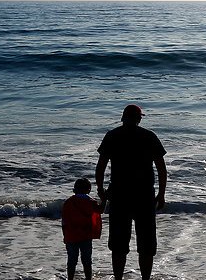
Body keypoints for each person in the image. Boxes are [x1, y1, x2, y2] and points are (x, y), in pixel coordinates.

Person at [95, 104, 167, 280]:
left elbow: (101, 167)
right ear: (139, 118)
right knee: (146, 245)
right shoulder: (148, 136)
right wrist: (161, 193)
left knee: (119, 245)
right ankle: (145, 279)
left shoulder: (112, 136)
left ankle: (118, 279)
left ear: (122, 118)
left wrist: (101, 191)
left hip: (119, 195)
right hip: (144, 195)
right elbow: (161, 168)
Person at [61, 177, 104, 280]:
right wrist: (104, 198)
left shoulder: (68, 202)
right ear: (88, 189)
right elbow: (100, 210)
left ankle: (70, 278)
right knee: (86, 260)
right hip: (85, 235)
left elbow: (64, 221)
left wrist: (65, 235)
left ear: (75, 189)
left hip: (71, 235)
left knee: (71, 260)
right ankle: (88, 278)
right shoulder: (91, 202)